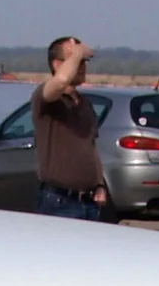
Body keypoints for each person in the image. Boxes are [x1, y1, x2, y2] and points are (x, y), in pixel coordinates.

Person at [33, 36, 108, 220]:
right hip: (58, 201)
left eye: (84, 61)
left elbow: (91, 147)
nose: (82, 65)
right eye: (76, 60)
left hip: (89, 203)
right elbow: (60, 82)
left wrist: (99, 184)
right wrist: (78, 52)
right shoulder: (46, 98)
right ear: (57, 64)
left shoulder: (85, 104)